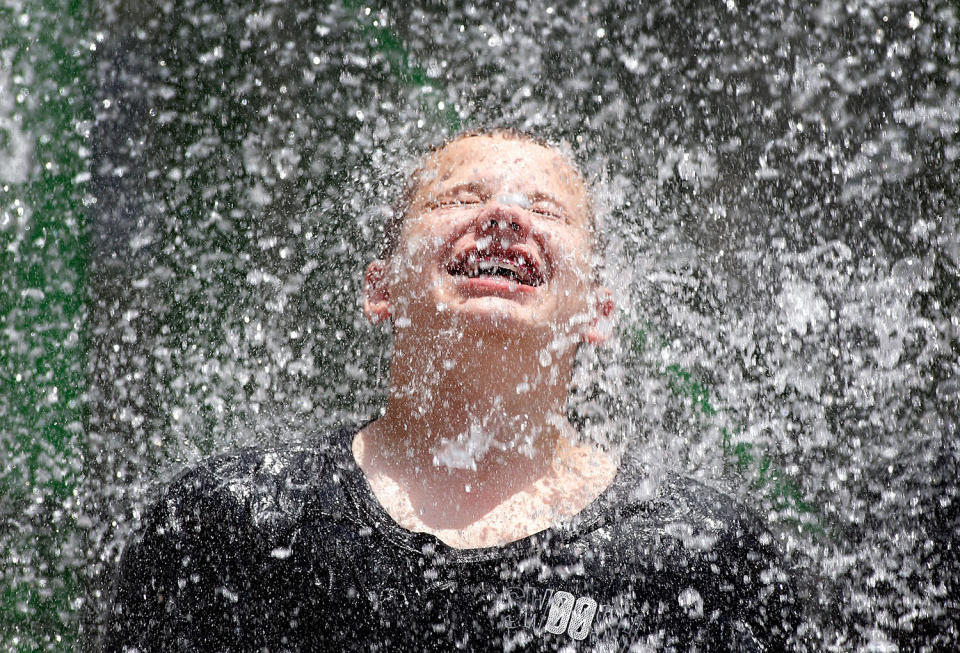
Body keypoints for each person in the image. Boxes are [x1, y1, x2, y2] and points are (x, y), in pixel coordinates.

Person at [104, 129, 802, 651]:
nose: (504, 217)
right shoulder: (234, 520)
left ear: (597, 310)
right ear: (380, 289)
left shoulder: (698, 551)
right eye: (460, 198)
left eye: (547, 212)